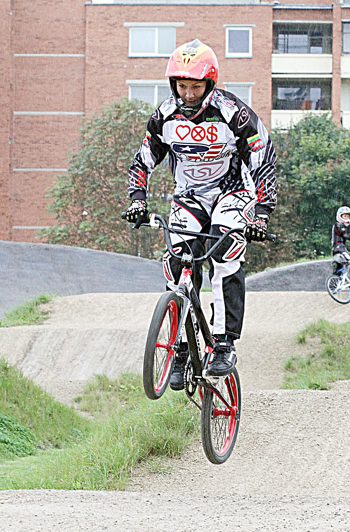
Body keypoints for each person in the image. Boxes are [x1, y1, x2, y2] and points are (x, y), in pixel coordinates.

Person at [124, 38, 277, 387]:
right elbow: (142, 161)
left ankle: (224, 342)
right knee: (178, 260)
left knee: (225, 254)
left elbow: (263, 160)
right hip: (189, 195)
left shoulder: (233, 113)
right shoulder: (164, 116)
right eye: (182, 86)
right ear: (173, 84)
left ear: (210, 83)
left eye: (196, 86)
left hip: (233, 192)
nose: (189, 94)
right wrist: (137, 200)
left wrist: (262, 213)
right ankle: (179, 347)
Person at [331, 206, 350, 274]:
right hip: (338, 246)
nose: (346, 218)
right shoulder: (339, 225)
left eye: (347, 216)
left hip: (341, 246)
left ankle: (342, 275)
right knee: (347, 257)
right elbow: (345, 235)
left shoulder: (344, 226)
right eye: (345, 216)